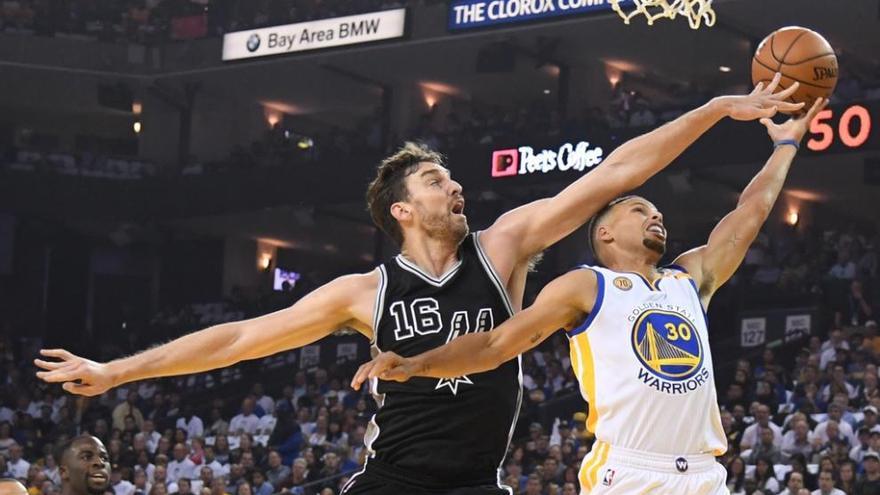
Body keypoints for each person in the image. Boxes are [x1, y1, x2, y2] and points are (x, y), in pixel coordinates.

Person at [35, 76, 800, 495]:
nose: (456, 187)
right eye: (438, 181)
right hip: (393, 482)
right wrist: (117, 370)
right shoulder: (362, 294)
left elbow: (614, 173)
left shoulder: (506, 248)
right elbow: (237, 338)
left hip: (477, 481)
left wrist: (713, 108)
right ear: (403, 208)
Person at [352, 90, 825, 493]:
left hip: (704, 473)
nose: (655, 216)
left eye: (657, 212)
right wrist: (418, 364)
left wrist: (785, 145)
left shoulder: (690, 279)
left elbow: (753, 211)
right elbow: (497, 344)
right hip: (629, 471)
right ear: (605, 235)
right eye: (640, 210)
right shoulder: (585, 284)